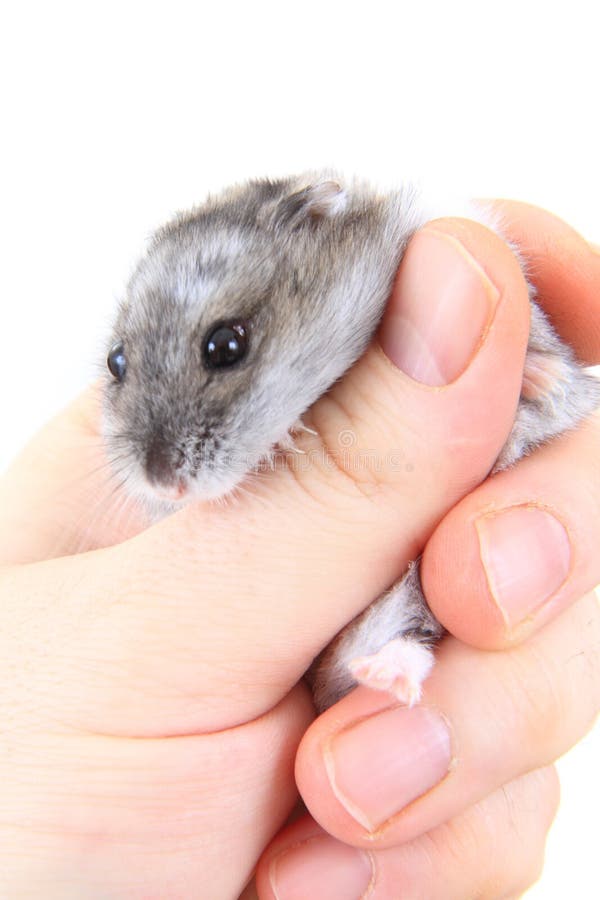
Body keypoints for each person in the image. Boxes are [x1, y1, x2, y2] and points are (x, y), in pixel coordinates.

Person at [0, 202, 598, 899]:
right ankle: (379, 658)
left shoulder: (423, 257)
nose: (159, 459)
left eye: (223, 350)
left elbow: (560, 404)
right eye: (123, 368)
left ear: (327, 226)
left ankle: (387, 653)